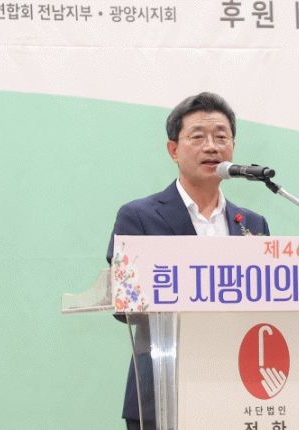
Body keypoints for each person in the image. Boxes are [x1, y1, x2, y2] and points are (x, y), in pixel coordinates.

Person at [106, 92, 270, 430]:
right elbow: (125, 306)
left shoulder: (253, 224)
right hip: (163, 391)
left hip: (239, 388)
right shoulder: (139, 217)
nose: (211, 147)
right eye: (198, 137)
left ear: (233, 147)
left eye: (221, 137)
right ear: (173, 150)